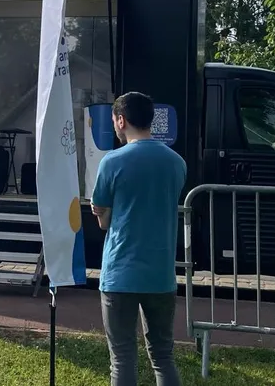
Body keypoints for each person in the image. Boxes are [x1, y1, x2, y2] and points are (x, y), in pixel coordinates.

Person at [90, 92, 186, 386]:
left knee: (122, 358)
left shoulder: (112, 162)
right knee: (162, 356)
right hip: (160, 274)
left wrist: (103, 213)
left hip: (120, 273)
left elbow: (104, 221)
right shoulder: (176, 162)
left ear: (121, 120)